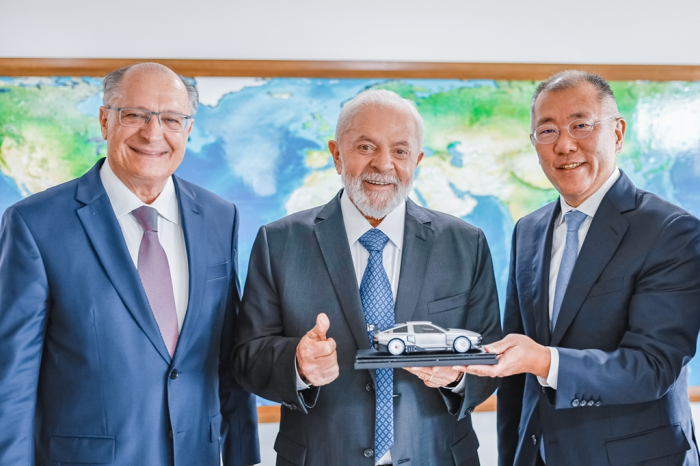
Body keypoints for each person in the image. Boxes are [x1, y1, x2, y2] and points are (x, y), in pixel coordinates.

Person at [0, 63, 259, 465]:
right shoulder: (35, 224)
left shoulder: (219, 217)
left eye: (171, 118)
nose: (153, 133)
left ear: (188, 128)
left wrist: (245, 457)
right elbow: (12, 381)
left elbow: (227, 360)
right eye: (135, 115)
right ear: (105, 120)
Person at [232, 89, 501, 466]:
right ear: (336, 153)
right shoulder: (278, 242)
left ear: (417, 160)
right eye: (365, 147)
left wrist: (457, 376)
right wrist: (297, 364)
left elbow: (489, 358)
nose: (384, 164)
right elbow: (247, 357)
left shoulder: (466, 243)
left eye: (401, 151)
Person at [458, 70, 700, 465]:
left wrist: (544, 360)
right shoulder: (529, 229)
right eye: (547, 131)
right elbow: (517, 375)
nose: (565, 145)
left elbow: (653, 367)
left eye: (581, 125)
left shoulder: (670, 231)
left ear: (617, 133)